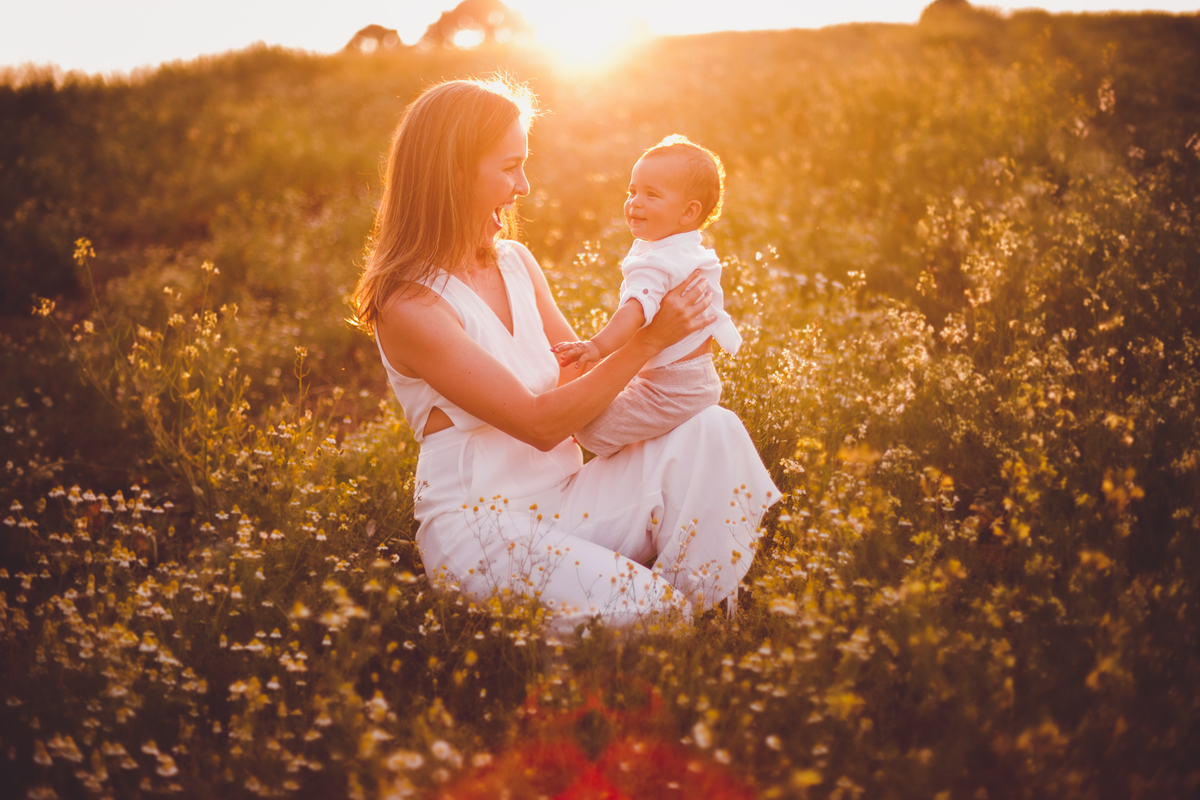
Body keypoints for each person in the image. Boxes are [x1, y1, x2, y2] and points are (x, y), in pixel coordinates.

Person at [352, 77, 779, 634]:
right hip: (481, 530)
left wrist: (679, 352)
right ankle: (670, 621)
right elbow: (541, 424)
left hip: (565, 500)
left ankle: (707, 615)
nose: (524, 185)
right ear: (454, 172)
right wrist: (648, 339)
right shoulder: (410, 304)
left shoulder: (515, 263)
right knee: (656, 615)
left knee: (712, 429)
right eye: (509, 167)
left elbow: (585, 374)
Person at [551, 135, 741, 458]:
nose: (635, 202)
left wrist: (596, 346)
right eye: (632, 191)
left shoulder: (656, 262)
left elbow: (635, 311)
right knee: (613, 398)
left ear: (688, 212)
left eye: (651, 195)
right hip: (694, 376)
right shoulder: (687, 250)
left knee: (590, 432)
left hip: (670, 387)